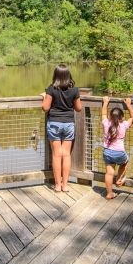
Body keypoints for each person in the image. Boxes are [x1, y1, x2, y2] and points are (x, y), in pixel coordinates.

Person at [42, 64, 82, 192]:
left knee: (56, 155)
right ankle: (65, 185)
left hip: (54, 123)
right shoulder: (75, 90)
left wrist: (45, 97)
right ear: (68, 75)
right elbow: (79, 108)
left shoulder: (51, 89)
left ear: (56, 76)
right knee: (66, 155)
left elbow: (45, 108)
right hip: (68, 124)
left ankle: (57, 185)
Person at [102, 97, 133, 199]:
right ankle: (119, 179)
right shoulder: (124, 125)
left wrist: (105, 103)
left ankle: (109, 193)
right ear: (122, 118)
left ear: (109, 117)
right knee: (124, 162)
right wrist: (129, 105)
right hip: (119, 153)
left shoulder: (106, 123)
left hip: (107, 152)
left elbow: (103, 114)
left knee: (109, 173)